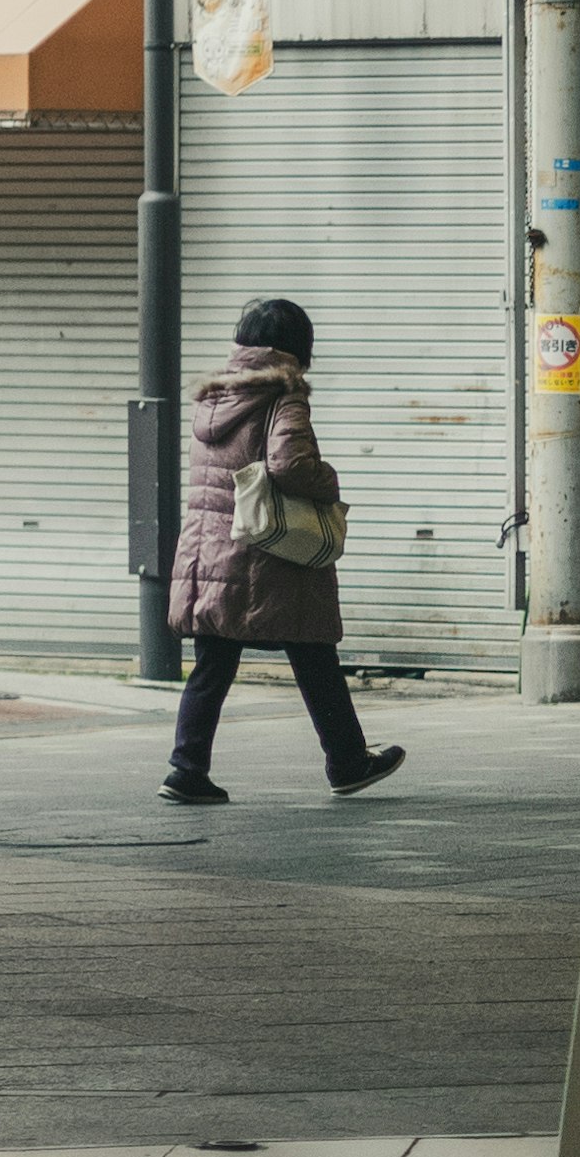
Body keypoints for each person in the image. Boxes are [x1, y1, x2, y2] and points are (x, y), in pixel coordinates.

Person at [161, 294, 403, 805]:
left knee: (213, 662)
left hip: (210, 551)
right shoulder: (283, 398)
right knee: (314, 652)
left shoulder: (212, 400)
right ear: (297, 349)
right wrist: (330, 481)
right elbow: (289, 464)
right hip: (265, 556)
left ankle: (186, 769)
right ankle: (348, 761)